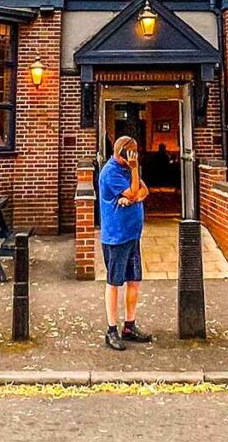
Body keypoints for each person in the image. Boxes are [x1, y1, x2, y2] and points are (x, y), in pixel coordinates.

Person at [97, 135, 151, 351]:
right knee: (114, 282)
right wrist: (135, 171)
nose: (133, 158)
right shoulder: (111, 172)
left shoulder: (128, 169)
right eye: (130, 154)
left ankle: (129, 325)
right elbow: (131, 190)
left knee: (134, 280)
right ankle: (112, 329)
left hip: (132, 234)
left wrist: (134, 197)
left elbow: (143, 191)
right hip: (116, 237)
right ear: (121, 154)